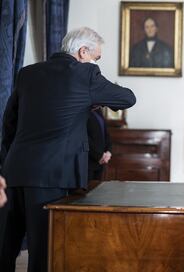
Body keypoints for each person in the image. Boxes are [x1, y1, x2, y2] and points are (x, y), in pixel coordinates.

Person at [0, 27, 136, 272]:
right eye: (97, 58)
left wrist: (8, 160)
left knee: (5, 250)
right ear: (83, 52)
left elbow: (9, 122)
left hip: (13, 173)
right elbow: (127, 98)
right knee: (42, 255)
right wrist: (92, 98)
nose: (96, 63)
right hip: (52, 176)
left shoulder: (27, 73)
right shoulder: (86, 74)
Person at [87, 106, 112, 181]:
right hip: (88, 160)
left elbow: (105, 133)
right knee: (87, 191)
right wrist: (99, 155)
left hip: (101, 161)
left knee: (97, 190)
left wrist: (108, 151)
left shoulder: (98, 110)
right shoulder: (82, 111)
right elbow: (83, 137)